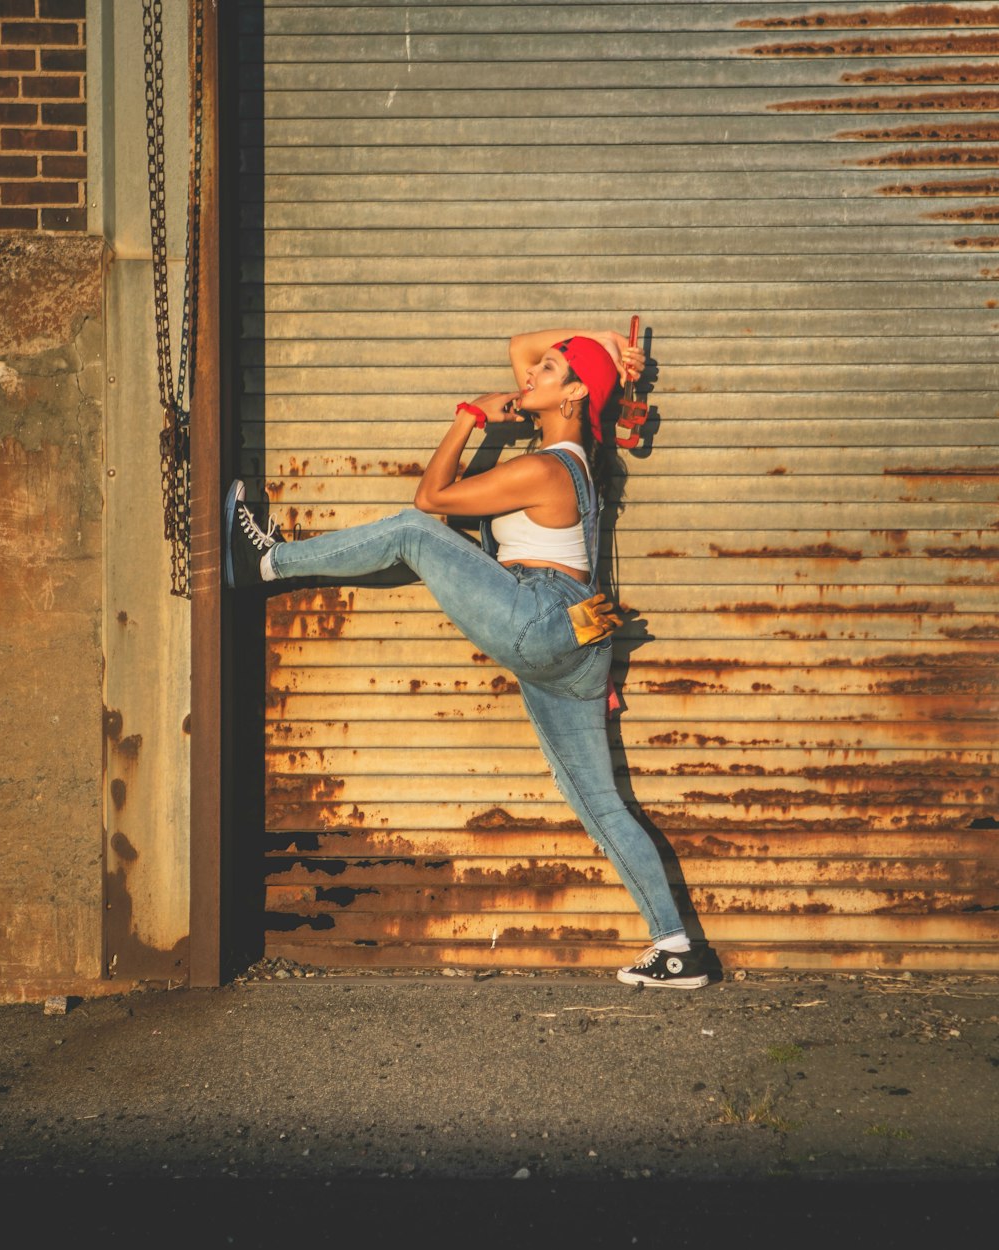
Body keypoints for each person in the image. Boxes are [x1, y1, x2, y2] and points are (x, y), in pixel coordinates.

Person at [223, 327, 709, 989]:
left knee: (413, 533)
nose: (529, 372)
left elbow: (431, 502)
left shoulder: (544, 467)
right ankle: (677, 946)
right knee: (600, 803)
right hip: (578, 640)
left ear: (573, 397)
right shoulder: (576, 458)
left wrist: (469, 417)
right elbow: (519, 345)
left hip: (539, 615)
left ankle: (264, 562)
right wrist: (594, 342)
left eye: (551, 370)